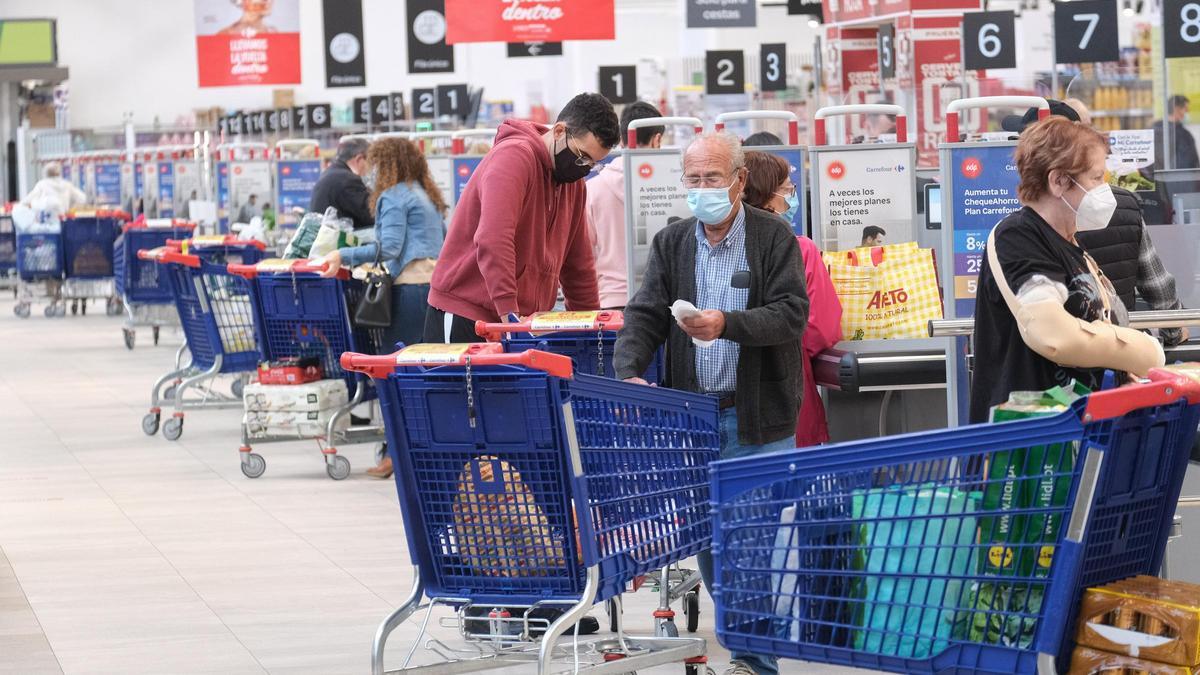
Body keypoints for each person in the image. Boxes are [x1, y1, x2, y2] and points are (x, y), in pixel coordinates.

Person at [615, 131, 809, 675]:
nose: (702, 189)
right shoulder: (672, 243)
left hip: (757, 420)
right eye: (693, 180)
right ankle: (748, 648)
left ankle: (753, 661)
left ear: (739, 181)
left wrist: (728, 324)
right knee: (713, 548)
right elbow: (646, 313)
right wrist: (628, 371)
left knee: (748, 546)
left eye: (712, 178)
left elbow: (792, 314)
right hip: (694, 422)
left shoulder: (774, 238)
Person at [969, 116, 1165, 423]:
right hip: (1031, 448)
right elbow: (1054, 336)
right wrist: (1144, 349)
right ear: (1058, 181)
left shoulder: (1073, 245)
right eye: (1096, 178)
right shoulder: (1018, 236)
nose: (1105, 189)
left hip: (1075, 434)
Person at [424, 92, 619, 342]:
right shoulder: (514, 157)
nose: (584, 168)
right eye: (582, 156)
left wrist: (592, 327)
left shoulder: (573, 184)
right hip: (468, 314)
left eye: (593, 163)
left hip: (520, 324)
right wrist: (509, 313)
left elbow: (578, 264)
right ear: (559, 131)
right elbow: (493, 238)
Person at [320, 137, 446, 478]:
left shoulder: (393, 195)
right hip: (433, 292)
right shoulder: (425, 194)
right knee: (423, 371)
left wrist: (341, 254)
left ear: (386, 163)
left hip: (408, 292)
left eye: (375, 164)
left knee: (395, 372)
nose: (371, 172)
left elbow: (389, 247)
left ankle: (396, 455)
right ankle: (420, 451)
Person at [741, 150, 843, 446]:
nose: (792, 196)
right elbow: (821, 328)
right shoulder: (801, 249)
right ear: (768, 195)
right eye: (787, 189)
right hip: (788, 390)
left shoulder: (719, 245)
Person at [586, 101, 664, 310]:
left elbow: (585, 253)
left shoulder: (592, 188)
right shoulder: (668, 188)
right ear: (657, 140)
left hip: (608, 301)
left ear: (621, 138)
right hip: (656, 299)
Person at [310, 137, 374, 231]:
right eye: (370, 162)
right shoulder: (349, 181)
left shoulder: (331, 173)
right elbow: (371, 215)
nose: (370, 168)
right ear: (359, 159)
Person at [1152, 95, 1199, 170]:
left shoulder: (1154, 130)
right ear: (1176, 109)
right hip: (1179, 178)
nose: (1188, 112)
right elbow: (1189, 163)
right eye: (1186, 109)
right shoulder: (1183, 135)